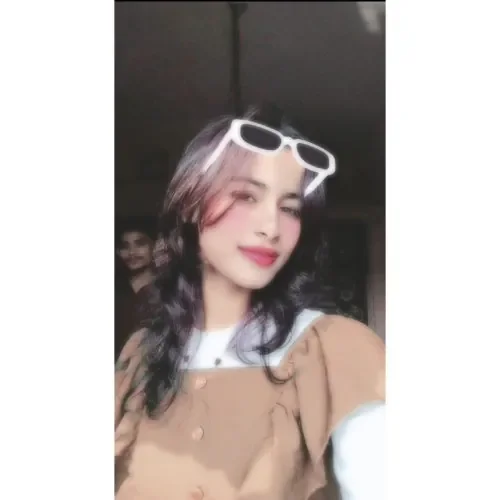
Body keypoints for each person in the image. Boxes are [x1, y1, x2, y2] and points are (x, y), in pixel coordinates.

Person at [115, 107, 385, 500]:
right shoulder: (140, 354)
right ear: (191, 204)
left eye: (290, 208)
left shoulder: (337, 349)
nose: (271, 228)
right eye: (245, 196)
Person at [115, 218, 156, 361]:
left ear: (154, 246)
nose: (132, 252)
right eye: (125, 247)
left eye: (140, 244)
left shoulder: (168, 290)